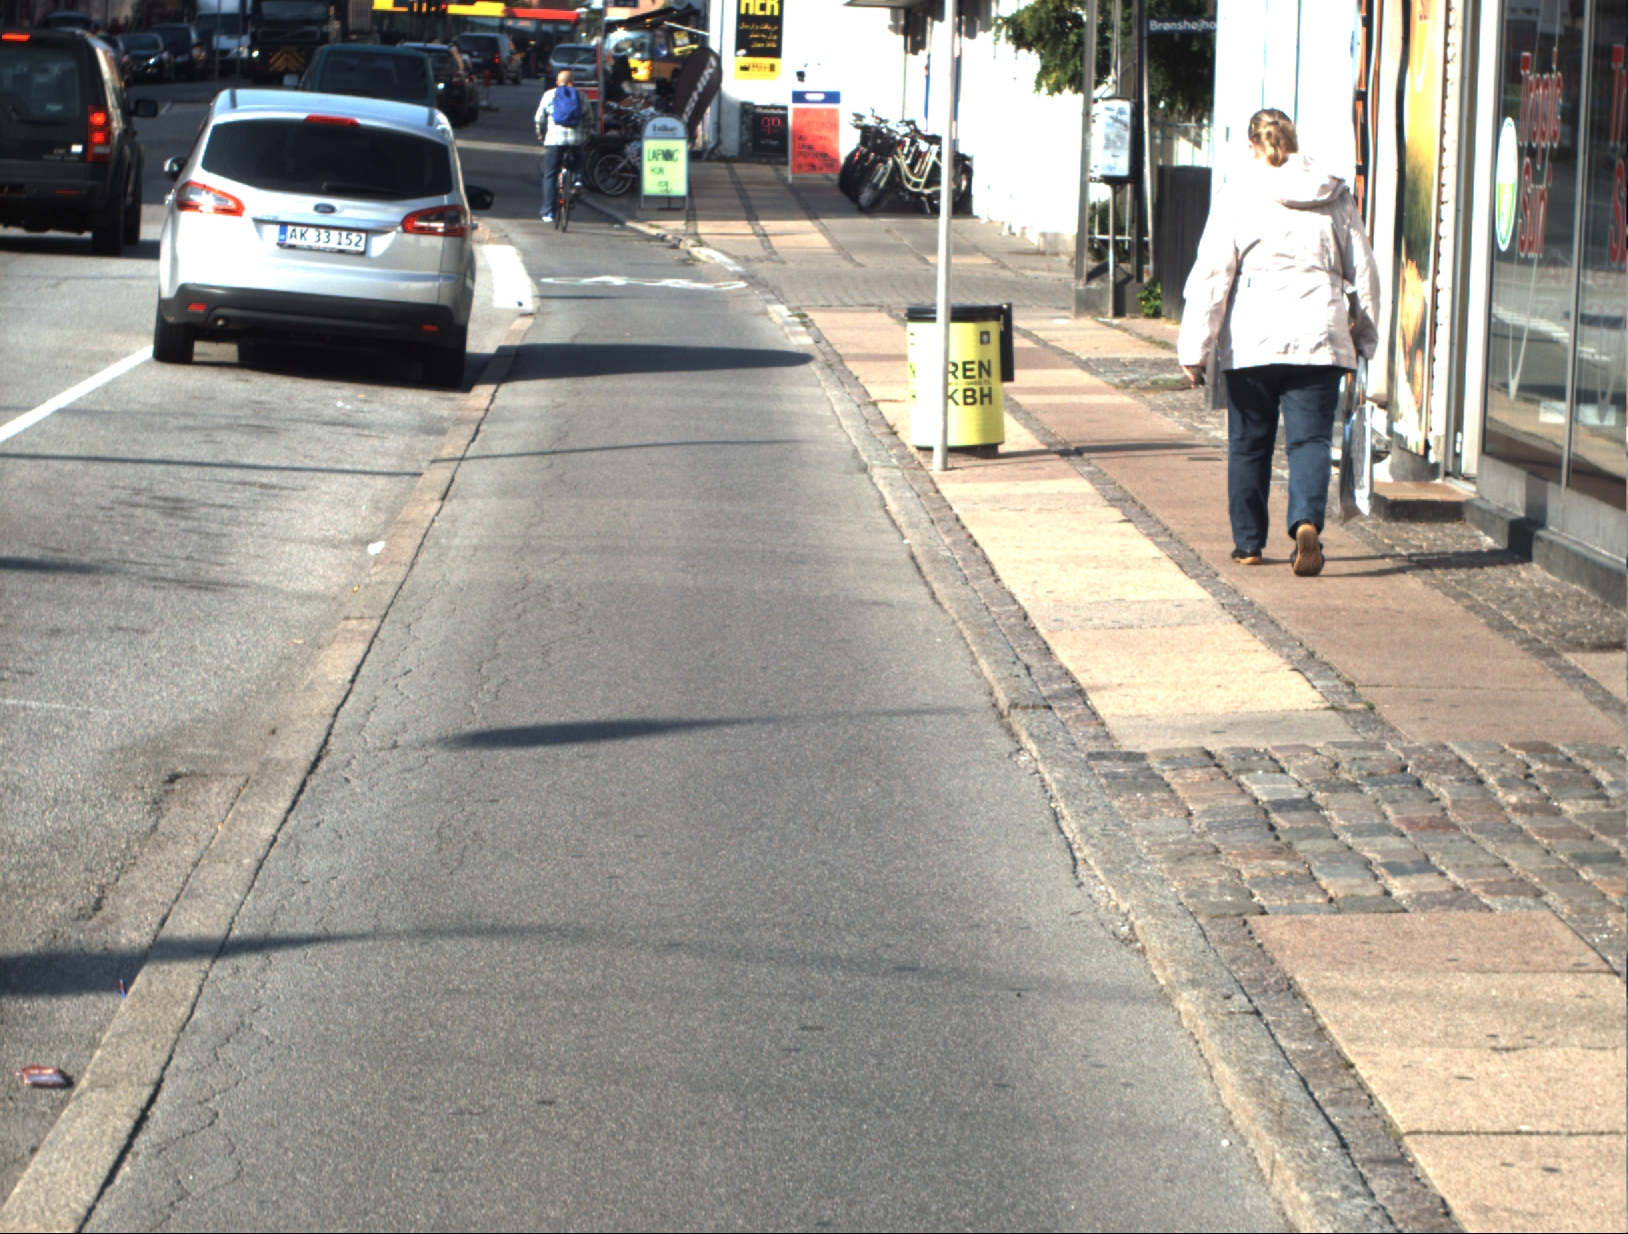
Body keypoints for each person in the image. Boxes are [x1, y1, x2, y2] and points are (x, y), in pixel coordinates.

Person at [1177, 108, 1380, 577]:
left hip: (1253, 338)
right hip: (1320, 336)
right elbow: (1365, 272)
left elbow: (1212, 276)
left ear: (1253, 145)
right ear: (1294, 140)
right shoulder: (1334, 194)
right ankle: (1306, 522)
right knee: (1310, 440)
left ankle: (1248, 543)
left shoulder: (1237, 193)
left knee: (1249, 443)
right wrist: (1364, 338)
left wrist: (1195, 348)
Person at [534, 69, 587, 223]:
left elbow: (539, 118)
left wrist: (541, 134)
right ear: (572, 82)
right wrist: (585, 135)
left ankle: (548, 212)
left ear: (557, 82)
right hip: (576, 139)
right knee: (579, 157)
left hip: (554, 140)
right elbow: (589, 118)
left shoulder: (549, 95)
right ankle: (577, 181)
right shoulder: (581, 96)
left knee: (550, 174)